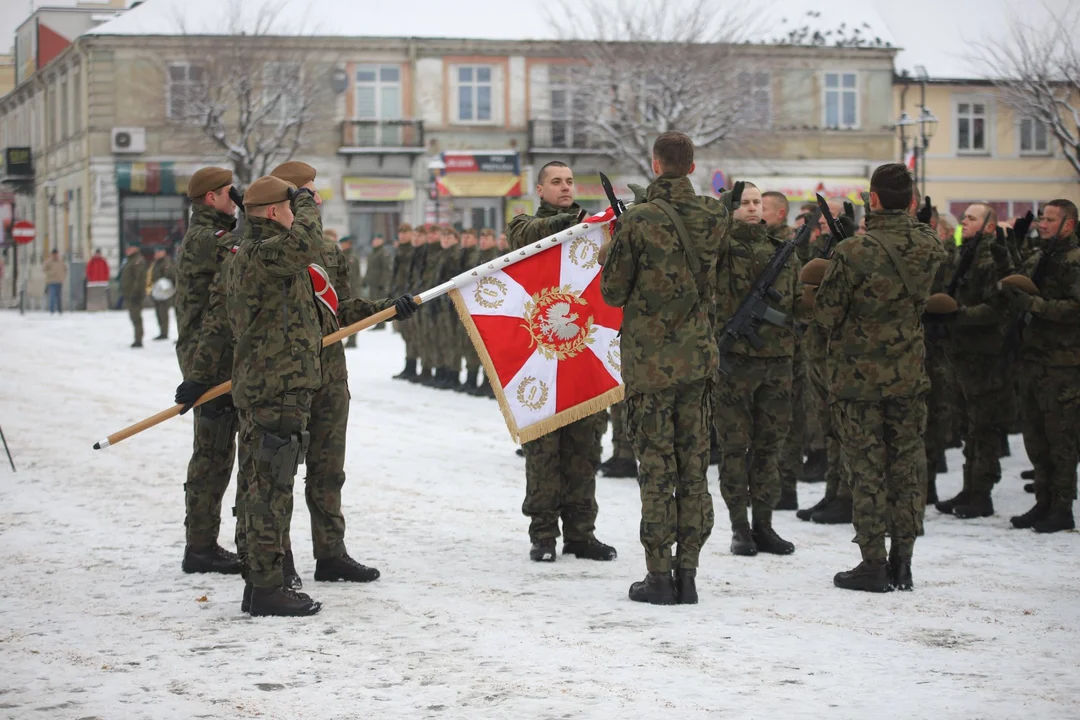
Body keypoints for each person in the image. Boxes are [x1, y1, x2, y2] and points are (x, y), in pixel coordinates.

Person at [268, 160, 417, 593]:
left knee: (328, 470)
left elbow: (343, 309)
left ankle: (330, 553)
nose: (316, 199)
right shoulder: (266, 250)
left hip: (330, 375)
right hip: (287, 378)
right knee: (277, 473)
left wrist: (389, 307)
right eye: (307, 192)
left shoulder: (330, 252)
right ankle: (278, 558)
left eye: (316, 192)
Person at [599, 132, 728, 604]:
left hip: (650, 365)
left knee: (657, 471)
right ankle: (688, 574)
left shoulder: (639, 220)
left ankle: (657, 576)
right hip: (697, 361)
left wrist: (609, 249)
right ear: (692, 167)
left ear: (656, 165)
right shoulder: (715, 215)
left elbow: (613, 292)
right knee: (694, 470)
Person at [811, 163, 945, 592]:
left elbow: (828, 314)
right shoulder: (929, 244)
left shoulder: (854, 252)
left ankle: (873, 562)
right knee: (907, 468)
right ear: (909, 201)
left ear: (872, 199)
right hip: (908, 374)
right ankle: (903, 562)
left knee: (867, 470)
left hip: (858, 380)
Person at [507, 160, 616, 564]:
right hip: (540, 358)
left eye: (570, 181)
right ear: (540, 189)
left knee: (585, 449)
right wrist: (575, 222)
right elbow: (528, 235)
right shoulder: (524, 225)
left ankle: (581, 533)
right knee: (544, 452)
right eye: (556, 182)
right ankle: (543, 535)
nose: (565, 187)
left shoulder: (593, 232)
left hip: (582, 353)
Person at [713, 182, 800, 557]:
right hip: (734, 363)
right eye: (744, 203)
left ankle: (764, 523)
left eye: (756, 203)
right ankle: (739, 527)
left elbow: (794, 302)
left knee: (770, 446)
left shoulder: (782, 251)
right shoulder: (719, 249)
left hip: (776, 362)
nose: (752, 209)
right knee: (734, 448)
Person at [172, 166, 243, 575]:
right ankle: (200, 546)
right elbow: (251, 249)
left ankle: (203, 543)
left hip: (216, 353)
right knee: (212, 453)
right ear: (213, 197)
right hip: (207, 359)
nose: (234, 197)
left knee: (218, 452)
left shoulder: (213, 233)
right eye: (229, 192)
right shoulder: (206, 238)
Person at [932, 204, 1013, 519]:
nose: (964, 222)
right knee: (969, 426)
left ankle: (982, 492)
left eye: (972, 218)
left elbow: (997, 309)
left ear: (989, 227)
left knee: (983, 426)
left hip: (985, 356)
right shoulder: (959, 254)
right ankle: (969, 487)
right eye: (964, 217)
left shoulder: (992, 261)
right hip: (960, 353)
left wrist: (957, 314)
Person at [1004, 199, 1080, 533]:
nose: (1042, 224)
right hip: (1033, 361)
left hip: (1063, 365)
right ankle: (1043, 502)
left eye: (1050, 219)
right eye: (1042, 219)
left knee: (1060, 440)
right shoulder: (1040, 255)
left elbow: (1074, 308)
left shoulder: (1075, 260)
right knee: (1035, 438)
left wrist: (1033, 305)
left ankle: (1062, 508)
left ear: (1069, 224)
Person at [390, 224, 418, 377]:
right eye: (400, 233)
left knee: (412, 332)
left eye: (405, 233)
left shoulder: (413, 251)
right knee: (405, 332)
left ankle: (412, 365)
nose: (402, 236)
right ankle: (409, 364)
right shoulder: (399, 251)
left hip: (410, 295)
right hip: (400, 294)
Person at [119, 243, 147, 348]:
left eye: (130, 248)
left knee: (136, 317)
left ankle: (138, 339)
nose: (127, 250)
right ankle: (137, 337)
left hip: (134, 294)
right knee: (133, 316)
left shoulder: (137, 261)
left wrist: (135, 293)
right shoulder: (130, 260)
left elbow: (138, 279)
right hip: (129, 294)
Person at [363, 233, 391, 332]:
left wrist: (383, 283)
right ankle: (377, 322)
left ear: (381, 241)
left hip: (379, 284)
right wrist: (365, 280)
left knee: (380, 303)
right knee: (374, 303)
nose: (375, 242)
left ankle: (381, 323)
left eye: (377, 240)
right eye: (374, 240)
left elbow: (386, 269)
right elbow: (369, 268)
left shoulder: (383, 252)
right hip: (372, 283)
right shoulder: (372, 253)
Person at [337, 235, 362, 346]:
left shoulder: (351, 257)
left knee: (352, 315)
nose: (342, 246)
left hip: (352, 290)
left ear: (348, 244)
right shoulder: (343, 255)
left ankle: (352, 340)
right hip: (346, 290)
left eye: (343, 244)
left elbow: (351, 276)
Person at [150, 248, 176, 339]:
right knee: (159, 312)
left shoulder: (166, 262)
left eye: (158, 252)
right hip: (158, 290)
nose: (156, 254)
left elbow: (171, 275)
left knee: (163, 312)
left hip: (165, 291)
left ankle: (164, 332)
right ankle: (162, 331)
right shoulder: (156, 263)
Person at [43, 249, 66, 314]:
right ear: (52, 254)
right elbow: (44, 269)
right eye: (54, 254)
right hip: (51, 281)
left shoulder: (60, 261)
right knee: (52, 296)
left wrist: (63, 277)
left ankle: (60, 310)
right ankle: (52, 311)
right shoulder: (48, 262)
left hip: (59, 281)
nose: (55, 255)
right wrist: (50, 273)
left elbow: (65, 269)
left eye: (56, 254)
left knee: (59, 297)